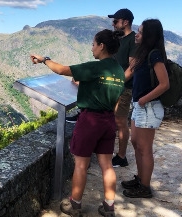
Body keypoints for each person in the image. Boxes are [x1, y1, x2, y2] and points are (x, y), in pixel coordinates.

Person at [31, 29, 125, 217]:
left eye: (93, 44)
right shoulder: (119, 71)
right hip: (108, 120)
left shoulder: (95, 67)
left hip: (90, 120)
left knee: (81, 164)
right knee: (106, 164)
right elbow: (116, 99)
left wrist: (44, 59)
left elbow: (62, 70)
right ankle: (108, 207)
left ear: (101, 46)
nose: (92, 48)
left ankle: (75, 205)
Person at [121, 19, 169, 198]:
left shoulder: (155, 55)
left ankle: (145, 187)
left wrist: (143, 100)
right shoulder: (142, 54)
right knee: (135, 143)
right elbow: (126, 75)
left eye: (140, 32)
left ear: (148, 35)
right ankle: (140, 179)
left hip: (149, 107)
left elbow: (164, 84)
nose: (137, 34)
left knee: (144, 147)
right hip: (140, 106)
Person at [108, 8, 136, 168]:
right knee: (111, 120)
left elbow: (131, 68)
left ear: (125, 22)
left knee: (120, 122)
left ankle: (121, 156)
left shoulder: (133, 40)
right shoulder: (118, 39)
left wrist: (117, 82)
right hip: (112, 86)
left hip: (124, 88)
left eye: (116, 21)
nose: (113, 23)